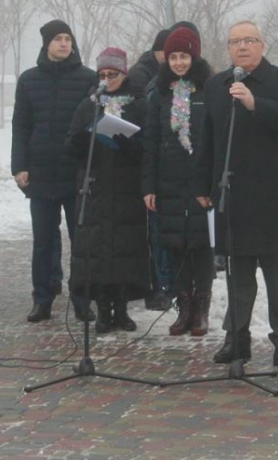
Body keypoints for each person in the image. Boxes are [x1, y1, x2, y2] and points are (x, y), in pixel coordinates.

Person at [195, 20, 278, 366]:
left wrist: (255, 103)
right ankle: (236, 338)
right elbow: (207, 138)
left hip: (273, 195)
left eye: (249, 40)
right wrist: (203, 186)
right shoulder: (217, 85)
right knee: (237, 274)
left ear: (262, 44)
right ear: (228, 49)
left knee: (277, 274)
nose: (241, 47)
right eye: (234, 42)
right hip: (233, 194)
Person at [11, 19, 96, 323]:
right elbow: (21, 124)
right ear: (46, 43)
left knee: (82, 239)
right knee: (43, 240)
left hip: (76, 171)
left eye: (67, 38)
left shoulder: (89, 78)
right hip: (41, 172)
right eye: (57, 38)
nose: (63, 43)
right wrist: (19, 166)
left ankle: (83, 299)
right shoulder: (29, 80)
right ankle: (42, 298)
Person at [66, 47, 150, 333]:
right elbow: (70, 147)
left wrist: (126, 141)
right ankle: (102, 308)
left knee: (124, 248)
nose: (106, 79)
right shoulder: (87, 105)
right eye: (102, 74)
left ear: (123, 74)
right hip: (96, 186)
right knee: (98, 249)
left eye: (112, 74)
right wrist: (81, 138)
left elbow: (147, 146)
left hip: (126, 186)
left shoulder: (138, 104)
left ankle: (122, 309)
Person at [142, 27, 215, 336]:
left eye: (184, 56)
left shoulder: (209, 89)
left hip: (200, 183)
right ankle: (183, 306)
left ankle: (201, 308)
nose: (179, 62)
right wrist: (148, 186)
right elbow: (150, 142)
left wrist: (210, 184)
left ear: (194, 56)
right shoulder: (159, 92)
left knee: (200, 247)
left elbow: (214, 138)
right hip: (168, 181)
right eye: (173, 57)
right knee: (176, 246)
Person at [130, 29, 174, 311]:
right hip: (147, 165)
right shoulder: (143, 76)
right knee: (154, 233)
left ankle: (165, 283)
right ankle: (158, 284)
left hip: (167, 165)